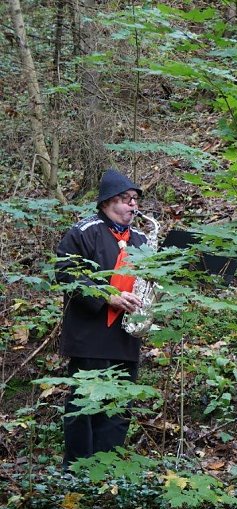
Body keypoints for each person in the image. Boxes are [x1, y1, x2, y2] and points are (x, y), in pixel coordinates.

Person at [55, 168, 146, 468]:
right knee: (85, 407)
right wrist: (108, 296)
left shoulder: (142, 239)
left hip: (125, 338)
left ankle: (106, 474)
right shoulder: (84, 231)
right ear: (107, 202)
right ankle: (78, 474)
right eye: (125, 199)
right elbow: (66, 273)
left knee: (119, 410)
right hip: (90, 338)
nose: (132, 205)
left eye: (135, 199)